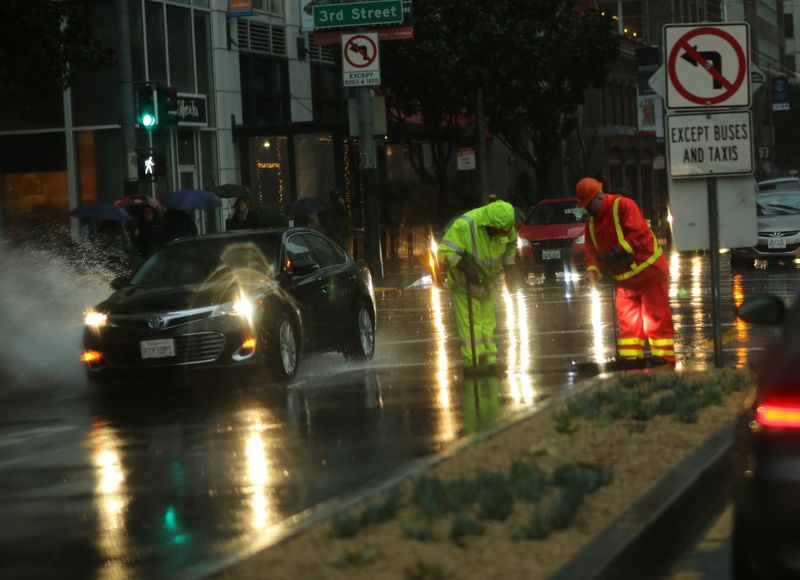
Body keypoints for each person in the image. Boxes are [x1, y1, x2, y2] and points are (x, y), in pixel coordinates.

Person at [576, 177, 675, 366]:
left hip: (648, 272)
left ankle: (664, 358)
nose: (588, 210)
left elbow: (639, 234)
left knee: (656, 316)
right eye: (585, 206)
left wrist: (619, 249)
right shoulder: (591, 225)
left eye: (589, 205)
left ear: (599, 196)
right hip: (624, 280)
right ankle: (631, 359)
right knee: (628, 322)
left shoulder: (623, 206)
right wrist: (592, 270)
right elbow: (591, 252)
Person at [437, 199, 520, 372]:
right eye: (497, 231)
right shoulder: (465, 225)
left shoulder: (506, 227)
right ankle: (473, 361)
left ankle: (489, 359)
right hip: (464, 284)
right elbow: (445, 252)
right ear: (488, 225)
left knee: (488, 322)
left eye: (503, 231)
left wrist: (510, 270)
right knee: (470, 323)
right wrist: (465, 268)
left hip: (488, 282)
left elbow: (510, 247)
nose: (501, 235)